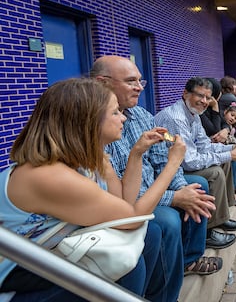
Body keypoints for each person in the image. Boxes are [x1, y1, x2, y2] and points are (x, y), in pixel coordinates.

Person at [0, 78, 186, 301]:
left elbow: (125, 203)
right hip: (20, 280)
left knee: (152, 234)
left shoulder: (94, 157)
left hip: (50, 258)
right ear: (86, 121)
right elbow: (133, 218)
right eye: (115, 112)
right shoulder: (48, 175)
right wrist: (172, 164)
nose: (124, 118)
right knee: (127, 267)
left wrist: (137, 153)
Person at [91, 56, 224, 301]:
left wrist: (183, 190)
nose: (141, 87)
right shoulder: (95, 131)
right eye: (131, 81)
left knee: (197, 187)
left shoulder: (141, 114)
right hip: (124, 207)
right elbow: (121, 202)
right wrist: (175, 197)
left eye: (140, 80)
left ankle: (189, 258)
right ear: (103, 83)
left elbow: (162, 158)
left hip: (141, 194)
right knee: (165, 222)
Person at [154, 77, 236, 245]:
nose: (204, 101)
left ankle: (221, 217)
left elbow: (205, 146)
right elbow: (190, 162)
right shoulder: (176, 118)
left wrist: (232, 149)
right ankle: (208, 230)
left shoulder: (194, 114)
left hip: (181, 163)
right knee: (214, 173)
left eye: (208, 97)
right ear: (185, 93)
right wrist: (230, 154)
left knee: (226, 161)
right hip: (168, 169)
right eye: (200, 95)